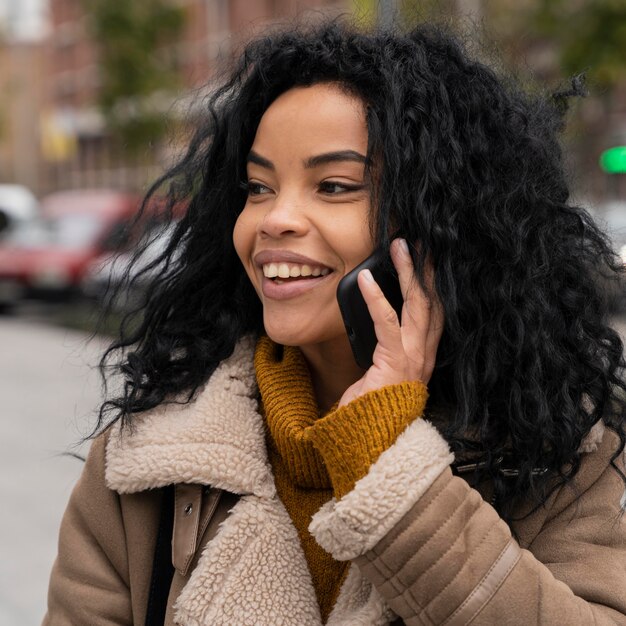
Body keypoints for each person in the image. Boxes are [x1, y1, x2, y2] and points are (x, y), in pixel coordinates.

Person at [44, 19, 626, 626]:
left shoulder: (552, 447)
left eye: (334, 185)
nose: (275, 219)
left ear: (444, 226)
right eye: (258, 186)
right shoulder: (150, 456)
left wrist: (386, 461)